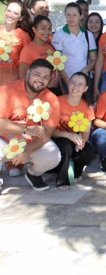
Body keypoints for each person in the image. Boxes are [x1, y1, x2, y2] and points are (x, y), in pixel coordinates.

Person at [0, 59, 61, 191]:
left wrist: (28, 151)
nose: (40, 79)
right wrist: (26, 130)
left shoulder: (51, 99)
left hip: (29, 143)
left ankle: (33, 174)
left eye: (45, 77)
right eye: (37, 74)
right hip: (5, 138)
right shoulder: (7, 90)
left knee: (53, 156)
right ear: (28, 73)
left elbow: (47, 133)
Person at [51, 72, 95, 189]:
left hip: (74, 138)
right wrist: (68, 135)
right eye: (73, 83)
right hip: (56, 137)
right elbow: (49, 130)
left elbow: (86, 131)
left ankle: (77, 172)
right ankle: (62, 179)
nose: (75, 87)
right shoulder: (56, 101)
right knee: (66, 145)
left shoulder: (88, 106)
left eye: (80, 84)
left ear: (85, 88)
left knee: (88, 151)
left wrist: (82, 143)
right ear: (68, 84)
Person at [51, 2, 97, 90]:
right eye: (68, 15)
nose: (71, 18)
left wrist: (83, 72)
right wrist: (69, 83)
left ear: (81, 16)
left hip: (84, 79)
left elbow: (93, 59)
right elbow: (57, 62)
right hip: (66, 79)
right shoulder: (59, 34)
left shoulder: (88, 34)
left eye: (74, 15)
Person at [19, 15, 61, 96]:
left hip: (54, 91)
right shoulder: (27, 50)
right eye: (43, 28)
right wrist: (46, 83)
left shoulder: (50, 47)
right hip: (38, 93)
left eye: (49, 28)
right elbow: (22, 77)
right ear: (34, 29)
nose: (47, 32)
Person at [0, 0, 32, 85]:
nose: (10, 15)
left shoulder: (24, 36)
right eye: (9, 10)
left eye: (15, 13)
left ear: (21, 18)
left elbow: (27, 61)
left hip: (12, 78)